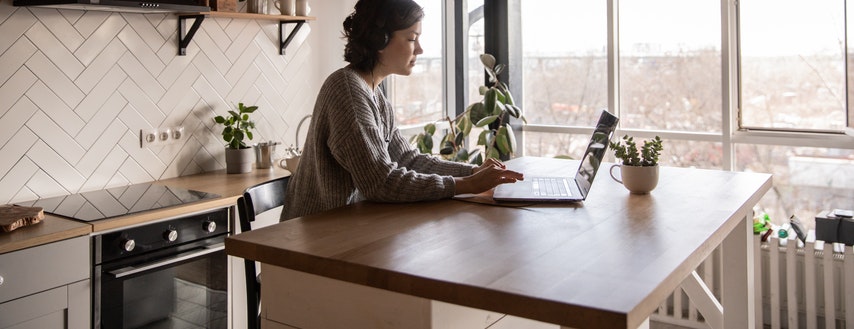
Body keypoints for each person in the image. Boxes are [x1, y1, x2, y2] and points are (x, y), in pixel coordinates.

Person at [281, 0, 523, 221]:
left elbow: (407, 159)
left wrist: (473, 172)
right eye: (411, 38)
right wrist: (465, 184)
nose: (419, 49)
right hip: (309, 241)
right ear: (380, 40)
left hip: (345, 228)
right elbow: (380, 183)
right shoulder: (348, 91)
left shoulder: (373, 93)